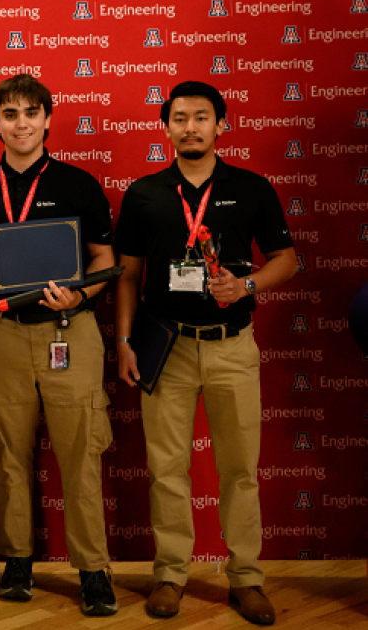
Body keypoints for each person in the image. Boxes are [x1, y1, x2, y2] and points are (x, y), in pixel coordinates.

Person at [114, 81, 296, 626]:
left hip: (231, 348)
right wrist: (123, 342)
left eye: (201, 117)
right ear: (165, 127)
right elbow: (127, 275)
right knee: (166, 470)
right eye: (179, 118)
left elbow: (285, 259)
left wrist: (247, 287)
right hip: (164, 347)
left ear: (221, 125)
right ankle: (170, 575)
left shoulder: (252, 187)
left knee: (240, 470)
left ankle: (246, 579)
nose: (190, 127)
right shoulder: (145, 193)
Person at [0, 74, 117, 616]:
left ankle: (93, 569)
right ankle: (17, 559)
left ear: (48, 119)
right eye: (10, 113)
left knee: (80, 456)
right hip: (2, 336)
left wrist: (79, 297)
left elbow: (102, 258)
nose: (20, 123)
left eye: (31, 112)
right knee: (9, 458)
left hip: (69, 334)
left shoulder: (78, 183)